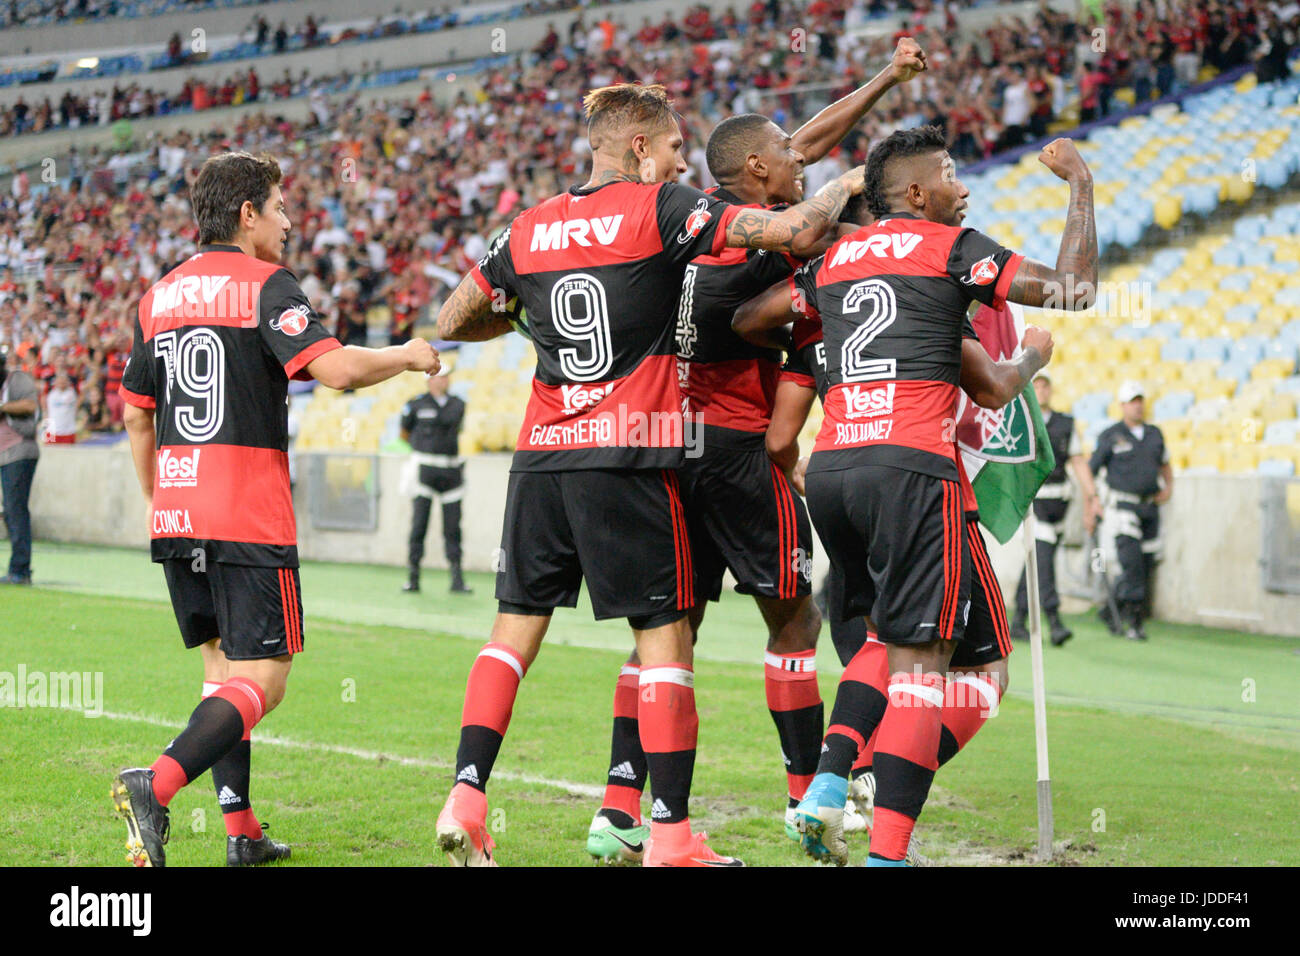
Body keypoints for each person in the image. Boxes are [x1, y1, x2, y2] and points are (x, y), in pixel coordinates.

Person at [432, 81, 861, 867]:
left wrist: (533, 314)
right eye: (669, 149)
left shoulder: (528, 225)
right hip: (631, 453)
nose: (676, 162)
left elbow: (453, 320)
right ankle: (677, 836)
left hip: (539, 455)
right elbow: (796, 228)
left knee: (510, 636)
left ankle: (470, 793)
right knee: (671, 641)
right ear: (639, 148)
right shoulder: (660, 211)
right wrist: (850, 183)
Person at [585, 36, 929, 866]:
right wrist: (790, 461)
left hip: (667, 445)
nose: (801, 159)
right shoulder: (768, 240)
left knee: (667, 635)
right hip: (738, 449)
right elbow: (802, 180)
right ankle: (808, 793)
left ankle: (618, 808)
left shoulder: (694, 222)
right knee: (794, 619)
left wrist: (884, 79)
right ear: (758, 178)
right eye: (786, 156)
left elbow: (794, 147)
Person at [742, 125, 1095, 865]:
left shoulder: (836, 258)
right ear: (913, 192)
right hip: (913, 469)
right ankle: (886, 855)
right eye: (950, 174)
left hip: (835, 469)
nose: (962, 187)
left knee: (880, 635)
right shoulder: (949, 252)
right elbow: (1074, 289)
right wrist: (1080, 183)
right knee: (922, 667)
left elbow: (750, 318)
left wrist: (813, 337)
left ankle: (831, 785)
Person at [113, 151, 439, 868]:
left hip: (178, 513)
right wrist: (411, 352)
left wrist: (159, 498)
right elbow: (338, 371)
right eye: (282, 207)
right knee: (265, 679)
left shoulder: (157, 296)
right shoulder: (266, 284)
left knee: (221, 674)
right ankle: (155, 783)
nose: (291, 223)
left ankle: (241, 834)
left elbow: (137, 417)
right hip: (245, 514)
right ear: (247, 214)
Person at [1011, 371, 1098, 646]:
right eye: (1036, 385)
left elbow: (1078, 461)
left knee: (1035, 562)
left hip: (1059, 505)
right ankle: (1055, 620)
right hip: (1033, 504)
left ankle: (1017, 621)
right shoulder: (1020, 421)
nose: (1041, 390)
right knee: (1044, 564)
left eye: (1045, 386)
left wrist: (1091, 496)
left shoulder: (1065, 424)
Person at [1088, 380, 1171, 642]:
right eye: (1132, 401)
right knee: (1132, 564)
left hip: (1150, 506)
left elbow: (1166, 464)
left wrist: (1169, 487)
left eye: (1140, 400)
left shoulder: (1155, 434)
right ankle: (1135, 622)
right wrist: (1093, 502)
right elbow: (1090, 469)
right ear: (1122, 405)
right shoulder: (1110, 435)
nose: (1137, 406)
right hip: (1122, 507)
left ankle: (1110, 609)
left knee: (1145, 565)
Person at [400, 366, 470, 593]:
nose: (443, 381)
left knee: (453, 527)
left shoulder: (458, 404)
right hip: (424, 469)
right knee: (419, 524)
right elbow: (404, 432)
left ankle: (457, 578)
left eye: (445, 377)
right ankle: (413, 576)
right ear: (428, 380)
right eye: (438, 377)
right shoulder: (416, 404)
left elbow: (451, 424)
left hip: (450, 470)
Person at [0, 346, 40, 585]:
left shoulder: (17, 379)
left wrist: (2, 407)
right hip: (4, 456)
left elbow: (30, 405)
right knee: (10, 511)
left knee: (16, 510)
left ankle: (20, 570)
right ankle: (18, 567)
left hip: (20, 452)